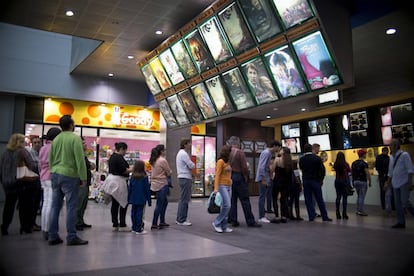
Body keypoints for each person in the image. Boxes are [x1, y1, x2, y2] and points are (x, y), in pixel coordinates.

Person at [48, 115, 88, 245]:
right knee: (71, 206)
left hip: (55, 174)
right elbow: (80, 160)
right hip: (70, 175)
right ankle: (71, 236)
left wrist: (52, 172)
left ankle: (52, 235)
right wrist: (83, 177)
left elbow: (51, 159)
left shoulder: (56, 139)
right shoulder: (75, 138)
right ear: (71, 125)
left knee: (55, 206)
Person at [0, 133, 37, 235]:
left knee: (9, 205)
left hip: (7, 182)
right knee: (24, 205)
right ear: (20, 141)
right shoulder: (22, 152)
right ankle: (25, 227)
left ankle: (5, 226)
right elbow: (32, 165)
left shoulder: (5, 152)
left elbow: (1, 168)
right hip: (20, 181)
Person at [227, 136, 261, 228]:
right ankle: (250, 221)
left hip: (229, 177)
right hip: (238, 177)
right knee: (245, 200)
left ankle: (233, 219)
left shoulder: (228, 152)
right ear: (238, 143)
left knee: (232, 199)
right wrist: (246, 175)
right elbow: (244, 167)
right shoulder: (240, 152)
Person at [385, 139, 414, 229]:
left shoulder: (404, 155)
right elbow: (390, 172)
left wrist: (410, 182)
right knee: (398, 204)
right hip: (395, 183)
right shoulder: (391, 157)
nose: (390, 147)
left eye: (392, 145)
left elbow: (410, 169)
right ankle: (401, 222)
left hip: (404, 182)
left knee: (405, 201)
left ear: (397, 146)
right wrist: (387, 183)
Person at [38, 127, 61, 240]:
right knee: (52, 204)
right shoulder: (56, 147)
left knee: (45, 204)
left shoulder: (43, 148)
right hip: (52, 177)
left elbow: (39, 164)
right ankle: (49, 229)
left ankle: (44, 228)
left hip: (43, 177)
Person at [299, 143, 332, 222]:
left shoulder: (301, 159)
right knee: (319, 199)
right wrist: (321, 180)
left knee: (308, 199)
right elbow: (322, 170)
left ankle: (311, 216)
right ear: (311, 149)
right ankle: (324, 216)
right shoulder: (317, 158)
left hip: (306, 181)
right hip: (315, 181)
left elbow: (301, 168)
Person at [106, 142, 132, 232]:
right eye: (125, 150)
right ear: (121, 149)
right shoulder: (119, 158)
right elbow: (123, 170)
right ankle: (122, 224)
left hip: (112, 182)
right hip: (119, 182)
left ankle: (115, 223)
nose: (125, 152)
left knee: (115, 203)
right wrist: (132, 169)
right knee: (123, 203)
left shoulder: (113, 157)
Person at [255, 140, 281, 223]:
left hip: (265, 177)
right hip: (263, 178)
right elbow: (262, 167)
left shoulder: (268, 153)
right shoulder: (267, 153)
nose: (279, 149)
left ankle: (262, 215)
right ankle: (261, 216)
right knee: (262, 197)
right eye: (279, 147)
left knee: (263, 196)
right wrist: (264, 179)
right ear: (275, 146)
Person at [150, 144, 172, 230]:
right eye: (165, 150)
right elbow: (169, 172)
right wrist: (171, 171)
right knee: (160, 204)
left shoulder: (154, 160)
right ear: (161, 151)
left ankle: (162, 221)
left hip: (155, 184)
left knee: (164, 202)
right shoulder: (162, 160)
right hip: (162, 184)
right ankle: (154, 223)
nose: (166, 151)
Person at [76, 137, 96, 231]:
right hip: (80, 182)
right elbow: (85, 166)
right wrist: (90, 166)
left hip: (86, 181)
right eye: (83, 143)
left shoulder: (83, 155)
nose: (85, 145)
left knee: (83, 203)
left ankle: (80, 221)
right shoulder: (78, 154)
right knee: (79, 203)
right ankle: (77, 222)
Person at [212, 145, 233, 233]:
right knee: (227, 205)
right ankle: (217, 222)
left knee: (226, 206)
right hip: (222, 185)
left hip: (228, 185)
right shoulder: (220, 162)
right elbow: (217, 175)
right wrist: (216, 188)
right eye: (230, 151)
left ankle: (224, 225)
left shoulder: (228, 162)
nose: (232, 153)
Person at [271, 147, 294, 223]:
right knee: (283, 199)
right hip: (286, 182)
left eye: (281, 149)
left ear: (283, 152)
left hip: (277, 181)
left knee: (274, 198)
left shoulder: (278, 159)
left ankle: (277, 216)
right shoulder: (290, 161)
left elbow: (272, 169)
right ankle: (283, 216)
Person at [128, 160, 151, 234]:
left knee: (133, 212)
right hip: (141, 198)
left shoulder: (132, 177)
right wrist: (149, 200)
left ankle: (134, 227)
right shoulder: (144, 177)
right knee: (140, 213)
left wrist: (128, 198)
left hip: (133, 197)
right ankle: (138, 228)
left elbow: (130, 188)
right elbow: (147, 189)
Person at [176, 138, 195, 226]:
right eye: (189, 143)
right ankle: (181, 219)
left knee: (183, 198)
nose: (190, 145)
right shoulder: (184, 154)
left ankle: (181, 217)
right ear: (185, 144)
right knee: (184, 199)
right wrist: (193, 164)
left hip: (182, 177)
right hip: (185, 177)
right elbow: (191, 165)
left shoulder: (180, 153)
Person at [28, 136, 42, 231]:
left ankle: (33, 223)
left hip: (38, 181)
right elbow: (33, 166)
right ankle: (29, 224)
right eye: (35, 142)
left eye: (38, 142)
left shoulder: (40, 153)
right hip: (31, 182)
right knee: (31, 204)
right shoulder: (29, 153)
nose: (37, 144)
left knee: (36, 204)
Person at [352, 149, 371, 216]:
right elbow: (367, 173)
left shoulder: (354, 163)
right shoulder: (364, 163)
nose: (366, 155)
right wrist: (370, 181)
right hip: (362, 181)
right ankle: (361, 211)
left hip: (356, 181)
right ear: (363, 155)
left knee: (359, 196)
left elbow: (352, 173)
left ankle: (357, 210)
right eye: (365, 154)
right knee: (361, 197)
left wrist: (353, 182)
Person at [375, 146, 394, 214]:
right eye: (387, 151)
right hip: (387, 177)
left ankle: (383, 206)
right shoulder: (388, 158)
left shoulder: (378, 157)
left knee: (382, 192)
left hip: (380, 177)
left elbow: (376, 167)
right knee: (388, 193)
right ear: (386, 151)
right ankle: (388, 208)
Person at [333, 151, 351, 220]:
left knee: (338, 197)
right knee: (345, 198)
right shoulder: (346, 164)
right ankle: (344, 214)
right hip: (344, 182)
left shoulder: (336, 164)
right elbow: (350, 171)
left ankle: (337, 213)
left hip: (337, 181)